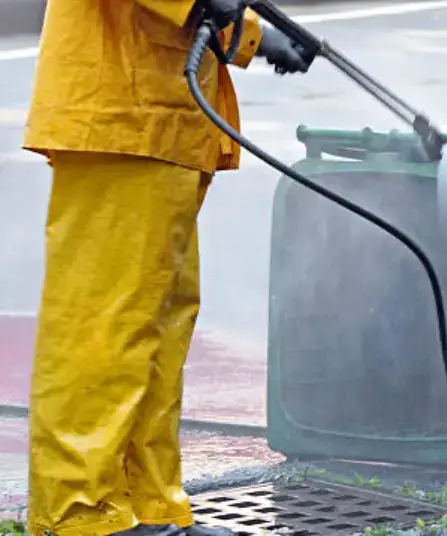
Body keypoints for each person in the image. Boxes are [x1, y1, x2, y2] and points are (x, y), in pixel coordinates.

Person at [20, 0, 316, 533]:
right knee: (103, 328)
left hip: (162, 114)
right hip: (121, 109)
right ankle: (80, 516)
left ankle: (148, 507)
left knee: (156, 327)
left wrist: (249, 34)